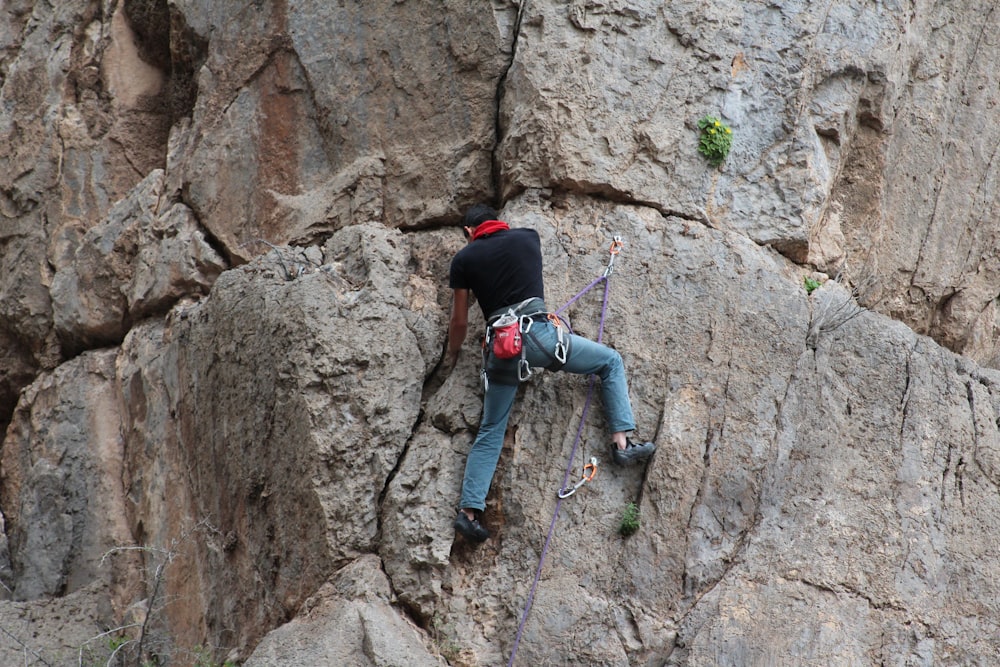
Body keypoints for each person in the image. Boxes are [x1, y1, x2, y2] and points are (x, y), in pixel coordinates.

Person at [446, 203, 655, 543]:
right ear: (500, 223)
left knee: (491, 429)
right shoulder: (528, 237)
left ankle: (469, 513)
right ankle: (622, 442)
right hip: (542, 338)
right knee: (610, 362)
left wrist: (453, 356)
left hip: (502, 350)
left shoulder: (464, 260)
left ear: (469, 232)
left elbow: (459, 322)